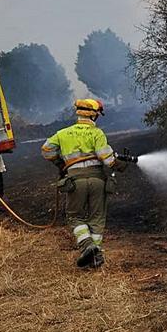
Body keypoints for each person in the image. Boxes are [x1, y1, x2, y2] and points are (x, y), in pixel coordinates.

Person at [41, 99, 124, 268]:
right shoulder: (97, 133)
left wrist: (61, 164)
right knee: (97, 217)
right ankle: (95, 254)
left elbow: (46, 150)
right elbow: (107, 158)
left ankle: (87, 246)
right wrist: (119, 165)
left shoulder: (62, 133)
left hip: (75, 181)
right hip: (97, 181)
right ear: (94, 115)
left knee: (74, 216)